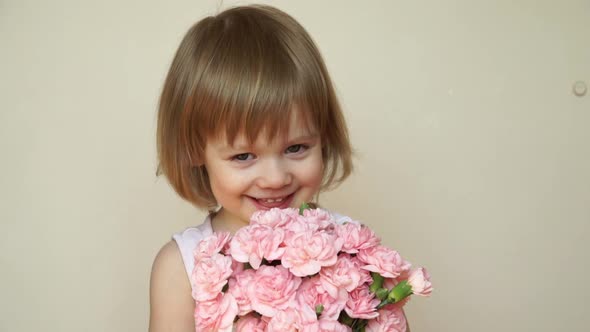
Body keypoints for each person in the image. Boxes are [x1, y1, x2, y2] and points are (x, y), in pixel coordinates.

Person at [149, 4, 408, 331]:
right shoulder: (180, 268)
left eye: (296, 148)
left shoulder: (353, 252)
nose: (275, 178)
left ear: (324, 137)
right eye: (243, 156)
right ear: (193, 149)